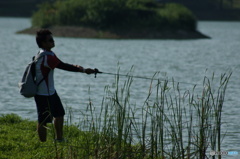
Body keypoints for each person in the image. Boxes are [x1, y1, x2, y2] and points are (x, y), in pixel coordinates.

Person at [34, 29, 98, 142]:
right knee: (43, 120)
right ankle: (42, 143)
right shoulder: (46, 57)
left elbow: (61, 63)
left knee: (59, 114)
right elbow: (64, 66)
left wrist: (82, 69)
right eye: (50, 40)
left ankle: (59, 139)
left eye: (53, 39)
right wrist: (83, 70)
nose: (53, 41)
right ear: (43, 43)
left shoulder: (48, 53)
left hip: (51, 92)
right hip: (42, 94)